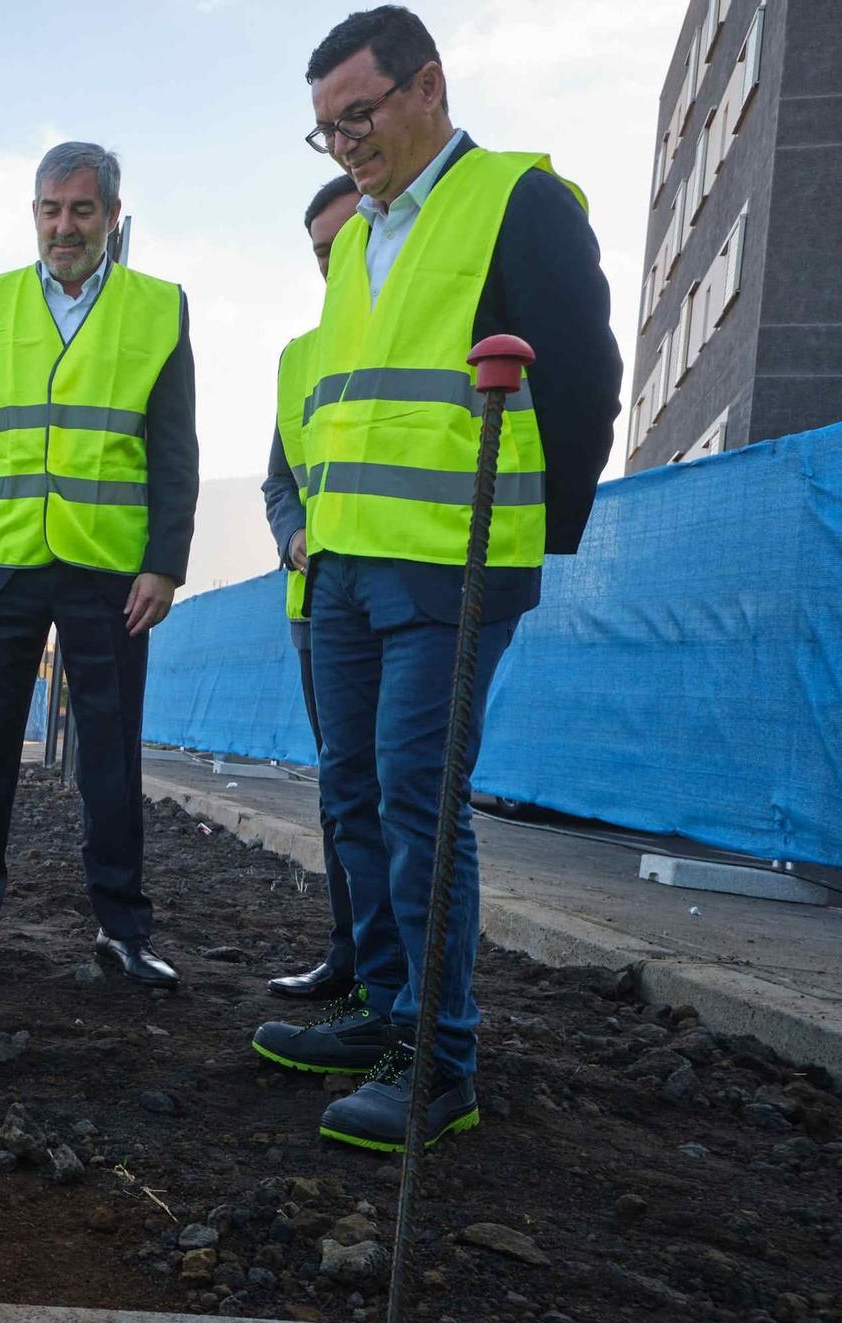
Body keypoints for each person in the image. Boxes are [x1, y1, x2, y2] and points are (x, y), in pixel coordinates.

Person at [253, 5, 621, 1151]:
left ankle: (436, 1061)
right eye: (324, 130)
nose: (345, 145)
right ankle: (378, 1010)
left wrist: (530, 535)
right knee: (354, 792)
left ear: (427, 87)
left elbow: (583, 376)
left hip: (450, 568)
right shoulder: (360, 236)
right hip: (353, 569)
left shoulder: (517, 200)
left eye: (356, 115)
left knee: (418, 798)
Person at [0, 142, 198, 987]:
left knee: (111, 752)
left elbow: (174, 445)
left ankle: (122, 929)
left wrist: (164, 563)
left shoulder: (159, 306)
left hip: (112, 572)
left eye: (81, 209)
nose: (64, 225)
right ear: (33, 214)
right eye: (50, 209)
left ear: (112, 214)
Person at [257, 173, 362, 1006]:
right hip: (319, 607)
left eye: (349, 240)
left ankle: (405, 984)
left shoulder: (429, 331)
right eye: (322, 253)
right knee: (342, 789)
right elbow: (278, 481)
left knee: (402, 795)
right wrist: (293, 532)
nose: (335, 263)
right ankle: (349, 955)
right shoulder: (300, 358)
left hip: (408, 598)